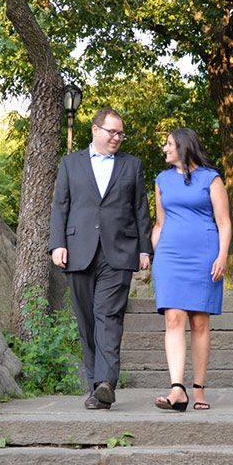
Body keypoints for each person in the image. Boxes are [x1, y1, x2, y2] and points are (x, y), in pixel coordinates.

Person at [49, 107, 153, 410]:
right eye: (112, 132)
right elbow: (60, 205)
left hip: (118, 252)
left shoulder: (132, 166)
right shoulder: (70, 163)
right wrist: (57, 244)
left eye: (121, 133)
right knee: (86, 320)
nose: (117, 138)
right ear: (95, 130)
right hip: (78, 251)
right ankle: (96, 385)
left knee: (108, 316)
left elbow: (140, 210)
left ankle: (107, 382)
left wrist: (144, 249)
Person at [150, 127, 231, 411]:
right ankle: (177, 389)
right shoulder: (161, 180)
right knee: (173, 319)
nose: (164, 149)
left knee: (199, 321)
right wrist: (153, 257)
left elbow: (224, 222)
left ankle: (198, 389)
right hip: (170, 257)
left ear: (183, 146)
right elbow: (159, 224)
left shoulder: (211, 178)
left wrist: (222, 256)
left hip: (204, 255)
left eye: (169, 144)